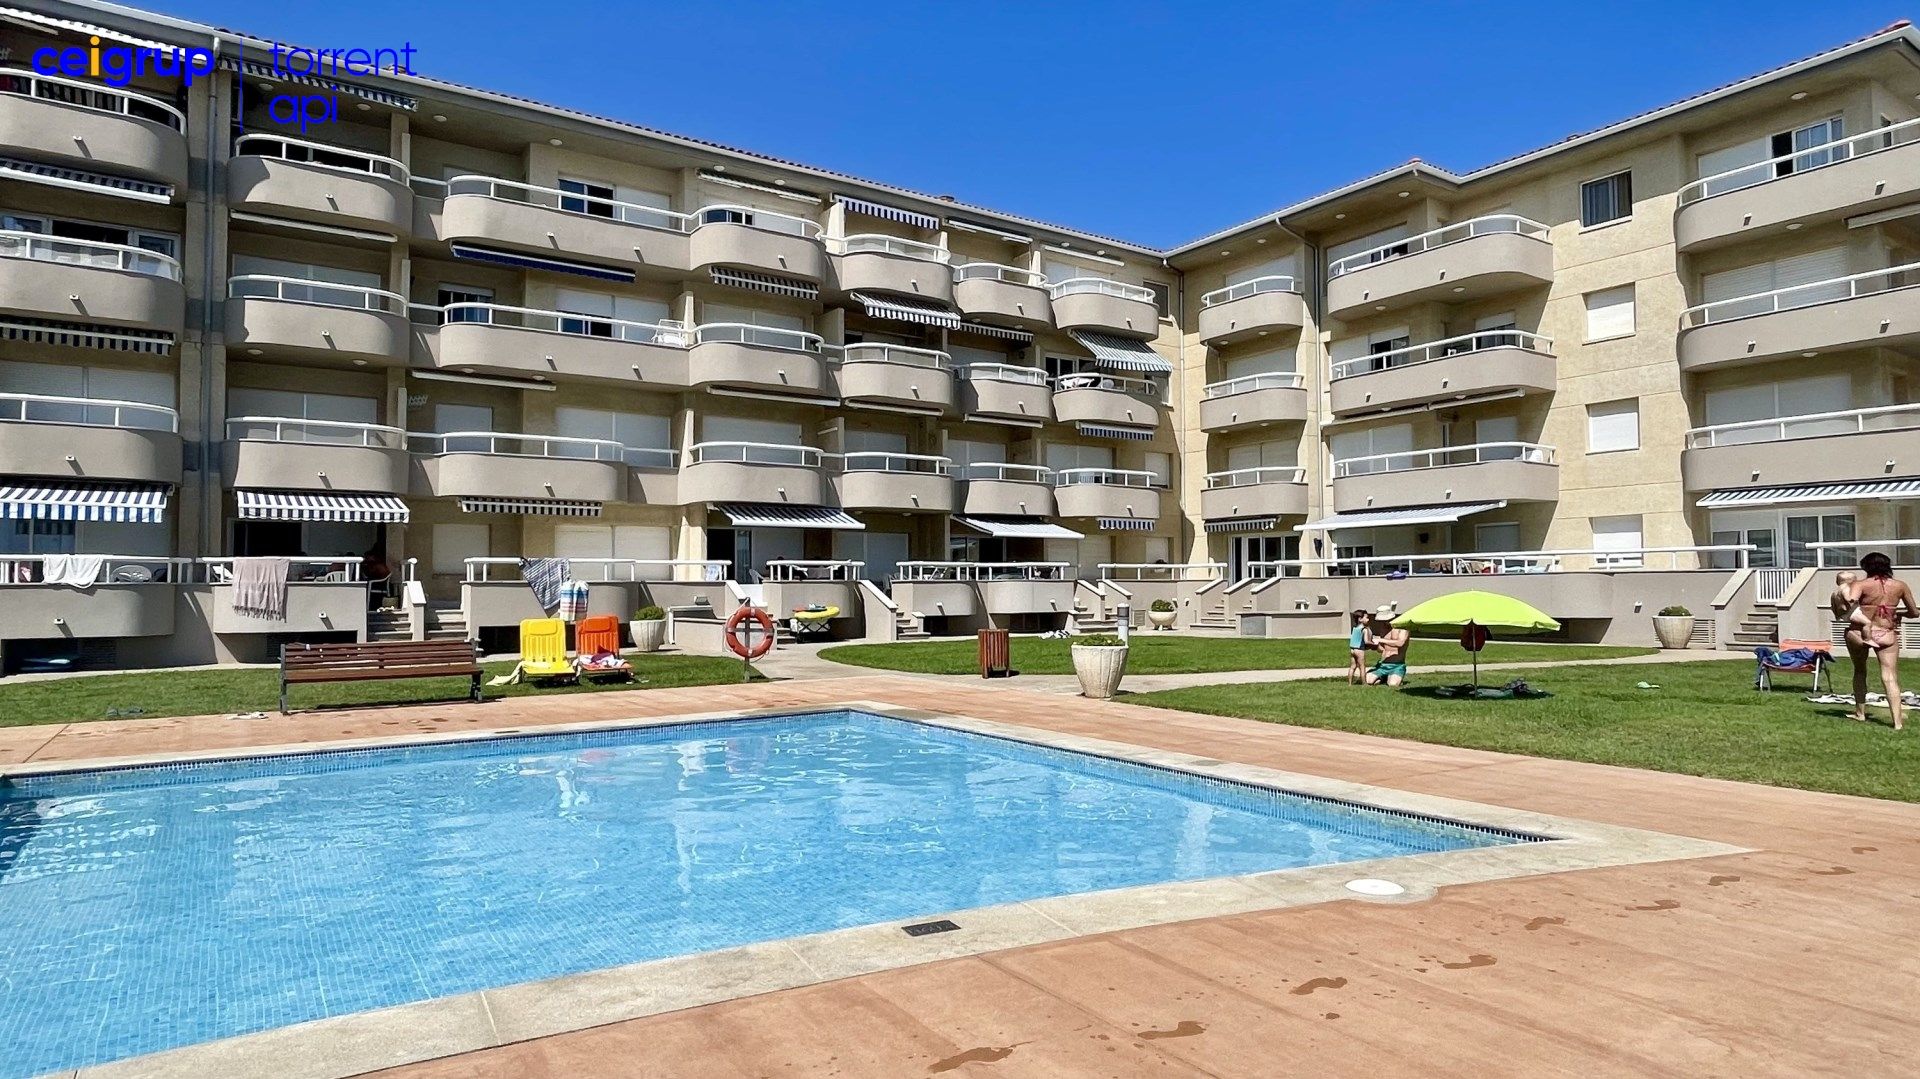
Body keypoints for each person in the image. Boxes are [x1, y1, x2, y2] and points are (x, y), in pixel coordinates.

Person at [1842, 552, 1918, 729]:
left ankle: (1860, 713)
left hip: (1859, 633)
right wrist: (1898, 613)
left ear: (1867, 567)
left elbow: (1848, 601)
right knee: (1890, 676)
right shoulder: (1900, 586)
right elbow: (1914, 612)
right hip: (1886, 633)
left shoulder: (1860, 584)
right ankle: (1897, 722)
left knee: (1860, 671)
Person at [1364, 604, 1411, 687]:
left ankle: (1393, 677)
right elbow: (1382, 649)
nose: (1382, 623)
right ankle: (1382, 677)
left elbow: (1400, 643)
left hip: (1397, 664)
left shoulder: (1403, 628)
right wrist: (1373, 646)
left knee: (1392, 685)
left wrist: (1380, 640)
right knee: (1368, 681)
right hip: (1382, 664)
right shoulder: (1383, 629)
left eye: (1384, 620)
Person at [1346, 608, 1370, 685]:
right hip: (1359, 650)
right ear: (1360, 619)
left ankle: (1349, 683)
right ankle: (1364, 683)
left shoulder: (1355, 628)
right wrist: (1373, 643)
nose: (1368, 619)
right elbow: (1366, 641)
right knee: (1362, 666)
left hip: (1352, 649)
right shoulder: (1364, 629)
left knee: (1352, 666)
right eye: (1366, 617)